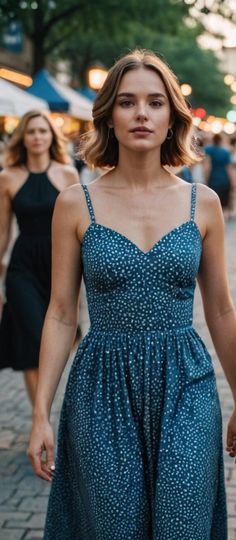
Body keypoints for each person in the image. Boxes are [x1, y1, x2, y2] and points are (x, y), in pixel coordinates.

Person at [27, 50, 236, 539]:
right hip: (101, 388)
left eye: (155, 102)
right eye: (127, 102)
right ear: (109, 117)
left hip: (186, 383)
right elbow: (60, 314)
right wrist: (40, 415)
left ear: (171, 118)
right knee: (114, 527)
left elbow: (222, 310)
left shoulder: (201, 204)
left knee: (182, 523)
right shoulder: (75, 203)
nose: (141, 113)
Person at [0, 110, 79, 405]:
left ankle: (40, 415)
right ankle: (40, 417)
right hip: (22, 268)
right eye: (31, 131)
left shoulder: (67, 173)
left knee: (52, 342)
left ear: (51, 137)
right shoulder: (7, 178)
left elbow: (78, 227)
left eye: (43, 131)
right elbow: (2, 232)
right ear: (23, 137)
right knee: (32, 340)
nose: (37, 137)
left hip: (59, 264)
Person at [204, 133, 233, 218]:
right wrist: (232, 181)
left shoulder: (208, 149)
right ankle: (224, 225)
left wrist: (206, 179)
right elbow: (229, 169)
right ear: (220, 141)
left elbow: (207, 167)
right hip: (225, 180)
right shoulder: (225, 152)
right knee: (224, 205)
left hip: (213, 180)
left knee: (213, 205)